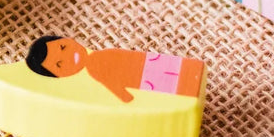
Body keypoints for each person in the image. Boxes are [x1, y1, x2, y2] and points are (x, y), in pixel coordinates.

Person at [25, 35, 203, 103]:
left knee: (182, 72)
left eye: (63, 48)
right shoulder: (96, 70)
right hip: (147, 79)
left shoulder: (100, 59)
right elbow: (116, 88)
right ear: (60, 75)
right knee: (178, 81)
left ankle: (192, 77)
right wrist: (127, 98)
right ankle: (190, 81)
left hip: (150, 64)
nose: (70, 57)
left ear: (66, 41)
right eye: (59, 65)